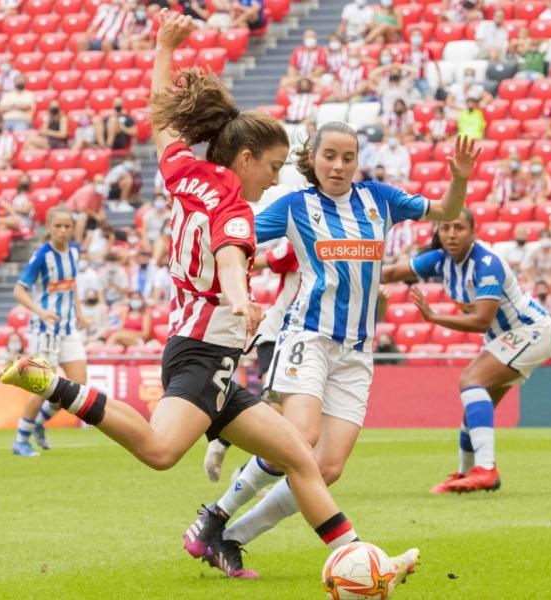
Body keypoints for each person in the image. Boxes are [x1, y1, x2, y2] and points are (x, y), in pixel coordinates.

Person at [0, 11, 417, 581]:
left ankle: (362, 561)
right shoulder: (233, 207)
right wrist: (243, 297)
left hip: (212, 360)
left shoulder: (186, 173)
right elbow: (228, 250)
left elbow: (159, 121)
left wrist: (163, 49)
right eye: (271, 168)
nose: (274, 179)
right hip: (201, 352)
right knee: (159, 450)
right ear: (245, 159)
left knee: (299, 456)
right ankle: (54, 384)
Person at [184, 123, 477, 576]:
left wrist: (458, 178)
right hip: (309, 337)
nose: (339, 166)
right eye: (330, 157)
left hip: (357, 352)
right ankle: (216, 515)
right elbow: (236, 236)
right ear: (313, 159)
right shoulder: (296, 205)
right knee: (299, 441)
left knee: (329, 467)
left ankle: (227, 537)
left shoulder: (380, 198)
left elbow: (446, 211)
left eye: (347, 157)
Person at [382, 209, 551, 493]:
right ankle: (465, 473)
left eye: (459, 228)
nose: (451, 234)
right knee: (475, 407)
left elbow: (481, 321)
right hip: (505, 337)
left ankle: (486, 469)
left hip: (530, 331)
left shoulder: (486, 263)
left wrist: (433, 317)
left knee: (471, 381)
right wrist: (353, 275)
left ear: (473, 233)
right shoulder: (441, 260)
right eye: (446, 228)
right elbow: (390, 272)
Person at [9, 208, 87, 457]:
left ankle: (39, 424)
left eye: (67, 226)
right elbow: (19, 291)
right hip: (44, 330)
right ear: (49, 228)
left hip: (68, 327)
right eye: (58, 226)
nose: (63, 231)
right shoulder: (42, 256)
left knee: (78, 386)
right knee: (44, 387)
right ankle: (21, 439)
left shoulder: (74, 251)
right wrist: (40, 311)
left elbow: (72, 285)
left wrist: (80, 312)